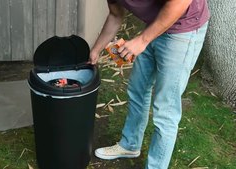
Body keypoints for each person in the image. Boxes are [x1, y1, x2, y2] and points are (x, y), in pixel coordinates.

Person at [89, 0, 210, 168]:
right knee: (137, 90)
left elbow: (179, 2)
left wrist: (142, 40)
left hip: (183, 28)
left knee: (165, 109)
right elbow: (115, 15)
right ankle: (130, 144)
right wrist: (96, 50)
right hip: (155, 23)